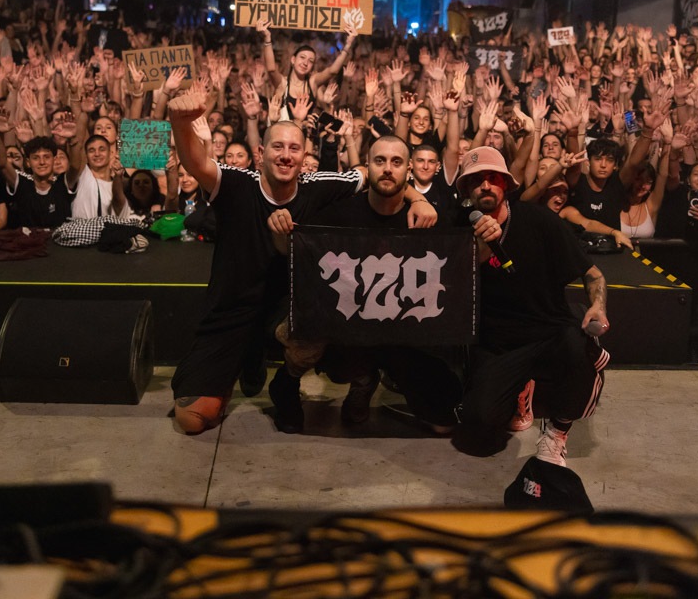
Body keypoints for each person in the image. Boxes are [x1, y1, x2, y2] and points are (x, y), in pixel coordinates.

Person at [165, 84, 436, 434]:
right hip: (231, 309)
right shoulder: (237, 183)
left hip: (287, 308)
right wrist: (179, 121)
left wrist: (418, 199)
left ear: (304, 154)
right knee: (193, 419)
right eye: (277, 147)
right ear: (261, 152)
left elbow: (376, 173)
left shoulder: (317, 185)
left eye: (294, 148)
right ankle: (242, 361)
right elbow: (197, 162)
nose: (286, 155)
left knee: (320, 330)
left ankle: (286, 384)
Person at [267, 135, 500, 434]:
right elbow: (293, 251)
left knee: (444, 424)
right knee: (306, 333)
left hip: (405, 334)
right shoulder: (339, 213)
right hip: (349, 331)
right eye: (380, 161)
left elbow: (465, 262)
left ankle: (374, 378)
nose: (388, 168)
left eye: (396, 162)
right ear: (368, 166)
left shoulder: (429, 219)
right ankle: (312, 382)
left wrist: (486, 241)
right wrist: (279, 229)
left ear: (408, 170)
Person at [452, 146, 610, 465]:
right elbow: (452, 291)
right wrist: (478, 250)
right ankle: (524, 389)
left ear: (506, 184)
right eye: (476, 180)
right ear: (466, 190)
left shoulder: (539, 220)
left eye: (493, 178)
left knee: (577, 350)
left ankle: (557, 431)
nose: (485, 185)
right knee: (479, 430)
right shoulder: (456, 229)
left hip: (549, 331)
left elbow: (593, 274)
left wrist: (598, 306)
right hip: (498, 344)